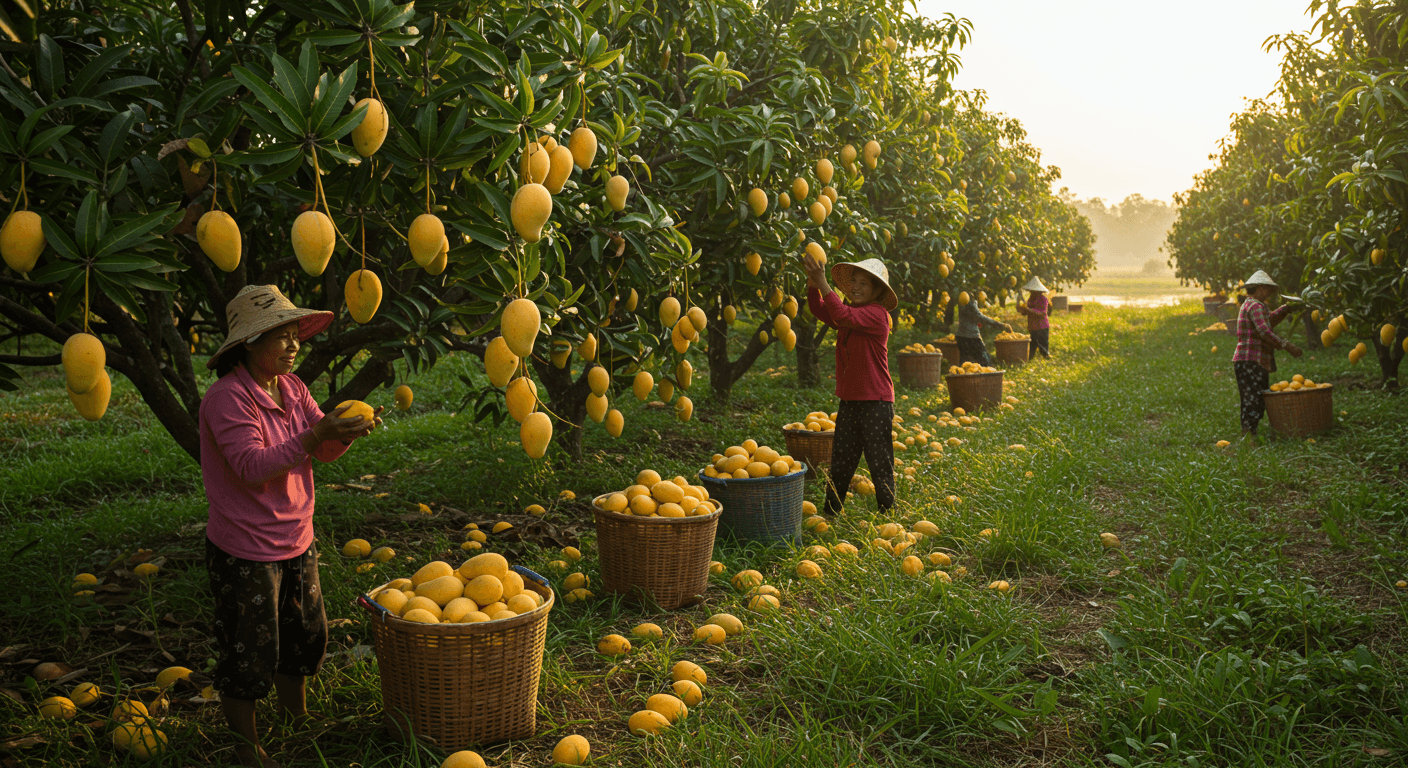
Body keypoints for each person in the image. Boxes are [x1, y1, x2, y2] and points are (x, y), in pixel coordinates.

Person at [200, 285, 382, 767]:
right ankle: (246, 745)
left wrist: (342, 435)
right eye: (278, 336)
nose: (292, 345)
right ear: (247, 344)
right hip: (245, 547)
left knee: (302, 635)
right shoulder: (227, 399)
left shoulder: (294, 388)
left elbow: (317, 450)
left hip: (296, 538)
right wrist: (316, 433)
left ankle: (295, 716)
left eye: (293, 334)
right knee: (249, 650)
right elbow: (251, 466)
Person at [802, 254, 897, 517]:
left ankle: (887, 513)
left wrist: (822, 281)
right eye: (853, 281)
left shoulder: (878, 314)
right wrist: (813, 284)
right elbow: (822, 310)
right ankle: (831, 512)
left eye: (863, 284)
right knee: (841, 461)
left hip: (876, 402)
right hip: (850, 400)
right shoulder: (852, 313)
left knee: (879, 461)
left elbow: (841, 314)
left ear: (877, 291)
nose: (855, 287)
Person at [1232, 270, 1302, 440]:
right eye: (1268, 289)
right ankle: (1249, 437)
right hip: (1251, 360)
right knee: (1252, 398)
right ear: (1260, 288)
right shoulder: (1255, 306)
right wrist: (1286, 345)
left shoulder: (1251, 305)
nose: (1269, 293)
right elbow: (1264, 330)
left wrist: (1286, 309)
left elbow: (1267, 321)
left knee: (1255, 396)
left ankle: (1250, 434)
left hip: (1251, 360)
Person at [954, 294, 1011, 366]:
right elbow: (980, 317)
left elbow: (971, 318)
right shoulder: (971, 303)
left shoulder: (962, 302)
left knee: (965, 363)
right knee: (985, 362)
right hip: (971, 338)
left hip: (961, 337)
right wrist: (1001, 325)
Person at [1015, 277, 1051, 359]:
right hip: (1032, 326)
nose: (1031, 292)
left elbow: (1042, 313)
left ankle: (1046, 357)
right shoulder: (1030, 299)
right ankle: (1029, 358)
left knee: (1043, 345)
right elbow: (1026, 312)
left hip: (1042, 326)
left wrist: (1028, 309)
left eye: (1033, 291)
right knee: (1032, 345)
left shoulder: (1043, 299)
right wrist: (1020, 309)